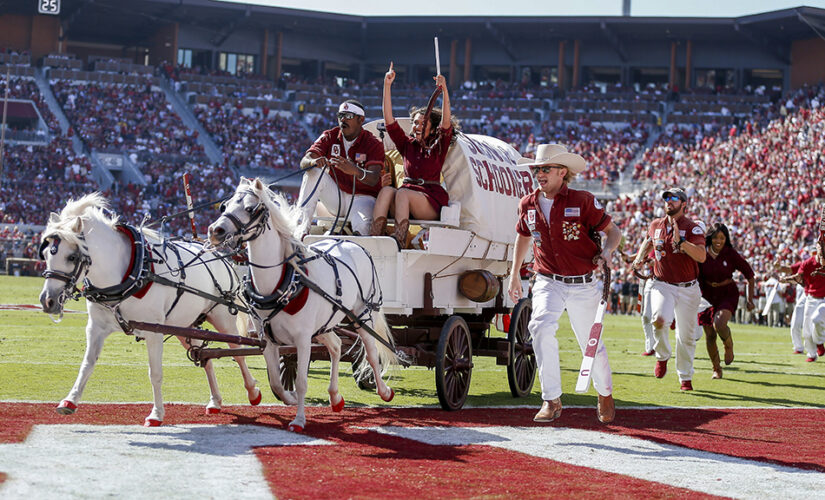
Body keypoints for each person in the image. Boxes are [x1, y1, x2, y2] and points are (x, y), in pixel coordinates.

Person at [507, 143, 621, 424]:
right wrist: (513, 274)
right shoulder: (527, 203)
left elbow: (613, 231)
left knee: (590, 342)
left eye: (545, 168)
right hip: (547, 280)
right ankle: (551, 399)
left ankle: (604, 392)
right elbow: (523, 236)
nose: (539, 173)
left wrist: (606, 252)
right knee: (539, 327)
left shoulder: (582, 200)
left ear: (562, 172)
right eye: (536, 169)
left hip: (583, 282)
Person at [372, 62, 456, 248]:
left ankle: (400, 241)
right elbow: (389, 121)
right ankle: (374, 237)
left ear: (432, 128)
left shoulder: (438, 146)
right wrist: (387, 86)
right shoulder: (407, 145)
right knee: (387, 191)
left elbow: (446, 123)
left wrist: (444, 90)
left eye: (421, 124)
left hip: (428, 200)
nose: (416, 126)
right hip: (406, 197)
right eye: (414, 123)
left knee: (402, 193)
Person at [631, 188, 706, 391]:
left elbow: (701, 256)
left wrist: (682, 243)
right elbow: (649, 241)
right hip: (662, 283)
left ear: (684, 204)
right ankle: (662, 356)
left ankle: (685, 377)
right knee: (658, 319)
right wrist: (639, 258)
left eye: (674, 198)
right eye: (667, 198)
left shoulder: (693, 227)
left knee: (686, 336)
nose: (669, 202)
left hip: (688, 288)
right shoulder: (656, 224)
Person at [296, 99, 385, 236]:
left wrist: (354, 170)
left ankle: (348, 239)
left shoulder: (373, 143)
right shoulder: (330, 136)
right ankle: (301, 228)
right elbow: (304, 161)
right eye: (340, 116)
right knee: (312, 172)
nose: (343, 119)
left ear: (361, 120)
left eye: (348, 116)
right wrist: (313, 162)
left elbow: (373, 179)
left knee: (362, 228)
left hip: (363, 198)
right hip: (336, 196)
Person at [697, 223, 755, 379]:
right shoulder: (701, 253)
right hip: (706, 295)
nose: (719, 241)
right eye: (715, 237)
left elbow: (749, 274)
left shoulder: (730, 253)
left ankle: (728, 345)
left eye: (722, 238)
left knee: (719, 323)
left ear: (726, 239)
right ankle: (716, 368)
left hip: (727, 293)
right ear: (710, 238)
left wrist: (750, 299)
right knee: (709, 335)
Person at [776, 244, 825, 361]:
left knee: (816, 319)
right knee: (807, 331)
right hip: (811, 298)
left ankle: (819, 343)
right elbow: (798, 277)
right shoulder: (808, 263)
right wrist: (785, 279)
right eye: (820, 247)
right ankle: (812, 354)